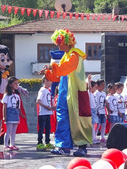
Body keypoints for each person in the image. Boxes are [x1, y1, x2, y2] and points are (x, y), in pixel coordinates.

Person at [42, 29, 92, 157]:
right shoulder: (66, 56)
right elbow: (59, 75)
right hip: (65, 91)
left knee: (78, 118)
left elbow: (67, 68)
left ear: (66, 42)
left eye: (59, 43)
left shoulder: (75, 55)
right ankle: (64, 146)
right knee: (62, 116)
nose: (57, 46)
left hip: (75, 92)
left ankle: (82, 147)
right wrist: (48, 73)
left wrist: (53, 67)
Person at [2, 76, 24, 151]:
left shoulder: (17, 95)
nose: (17, 85)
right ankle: (5, 145)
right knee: (9, 130)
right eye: (15, 83)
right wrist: (4, 116)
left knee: (14, 131)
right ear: (10, 84)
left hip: (16, 112)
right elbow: (4, 105)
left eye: (17, 84)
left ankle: (12, 144)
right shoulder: (7, 95)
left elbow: (18, 106)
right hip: (10, 112)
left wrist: (20, 113)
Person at [36, 76, 56, 151]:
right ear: (45, 81)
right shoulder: (42, 90)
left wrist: (52, 107)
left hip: (48, 112)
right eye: (50, 81)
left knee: (48, 128)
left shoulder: (48, 90)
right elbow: (38, 101)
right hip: (43, 113)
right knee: (41, 128)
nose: (51, 83)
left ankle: (47, 142)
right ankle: (39, 143)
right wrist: (46, 107)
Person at [87, 74, 99, 144]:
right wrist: (89, 80)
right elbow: (89, 88)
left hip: (94, 109)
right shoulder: (90, 93)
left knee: (94, 124)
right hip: (91, 109)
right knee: (92, 124)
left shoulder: (93, 94)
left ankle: (94, 137)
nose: (96, 89)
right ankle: (92, 138)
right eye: (95, 87)